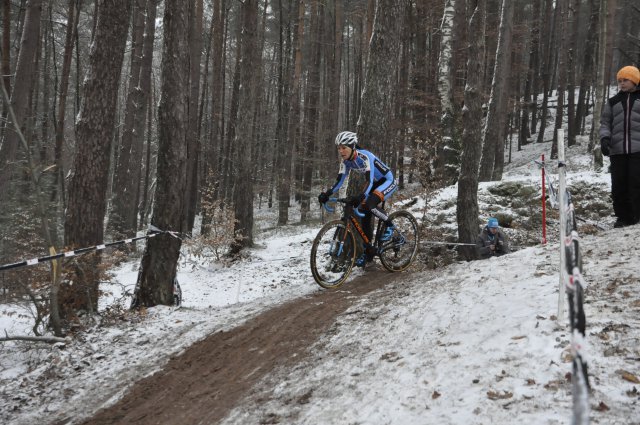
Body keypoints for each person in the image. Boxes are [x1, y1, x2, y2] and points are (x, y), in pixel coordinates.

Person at [317, 131, 398, 267]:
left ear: (352, 146)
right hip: (375, 183)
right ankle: (369, 252)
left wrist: (361, 196)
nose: (341, 151)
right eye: (339, 148)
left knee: (370, 204)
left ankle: (390, 225)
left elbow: (369, 181)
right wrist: (327, 193)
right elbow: (339, 181)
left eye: (344, 148)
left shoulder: (365, 156)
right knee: (364, 212)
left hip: (387, 181)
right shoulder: (346, 162)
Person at [599, 65, 640, 228]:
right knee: (618, 184)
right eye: (620, 81)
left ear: (635, 81)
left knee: (635, 182)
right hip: (617, 151)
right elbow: (605, 123)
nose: (622, 84)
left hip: (638, 150)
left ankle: (636, 215)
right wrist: (604, 139)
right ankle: (623, 217)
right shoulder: (613, 101)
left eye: (625, 80)